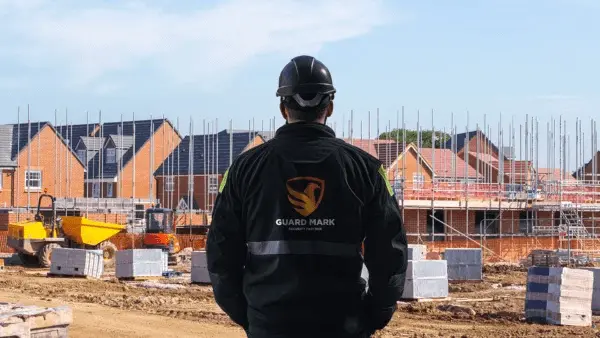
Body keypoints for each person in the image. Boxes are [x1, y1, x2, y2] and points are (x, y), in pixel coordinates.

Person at [206, 55, 408, 338]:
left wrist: (252, 317)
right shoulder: (366, 170)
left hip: (270, 324)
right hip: (342, 325)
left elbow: (220, 256)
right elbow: (390, 255)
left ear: (281, 107)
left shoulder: (244, 170)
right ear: (331, 106)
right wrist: (372, 316)